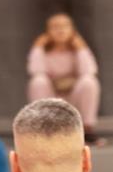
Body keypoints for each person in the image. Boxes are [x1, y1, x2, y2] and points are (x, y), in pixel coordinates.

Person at [27, 13, 102, 146]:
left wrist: (81, 48)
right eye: (55, 27)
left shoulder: (77, 51)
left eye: (64, 26)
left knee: (89, 81)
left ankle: (87, 130)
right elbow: (35, 70)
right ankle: (44, 129)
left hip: (73, 98)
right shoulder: (44, 52)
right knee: (38, 81)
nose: (60, 30)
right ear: (48, 32)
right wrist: (38, 48)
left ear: (72, 30)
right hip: (52, 99)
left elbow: (90, 70)